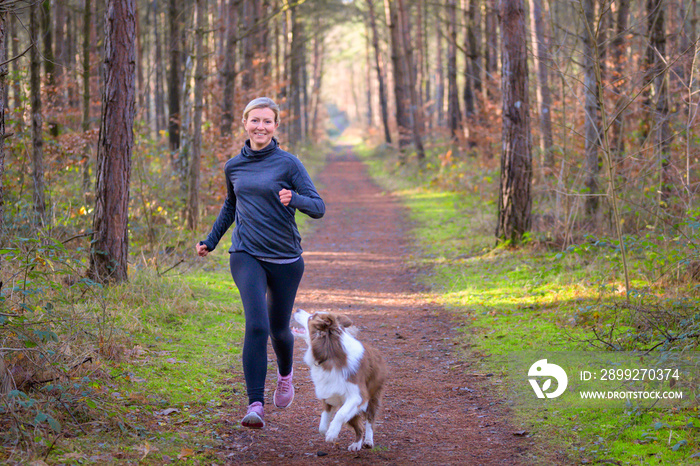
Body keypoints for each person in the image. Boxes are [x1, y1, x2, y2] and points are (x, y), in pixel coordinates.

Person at [196, 97, 325, 429]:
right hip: (246, 253)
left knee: (279, 330)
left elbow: (318, 206)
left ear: (276, 126)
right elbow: (230, 206)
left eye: (268, 121)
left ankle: (285, 375)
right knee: (256, 325)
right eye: (255, 120)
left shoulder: (289, 164)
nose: (261, 127)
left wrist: (293, 198)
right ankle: (255, 405)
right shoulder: (233, 166)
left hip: (285, 258)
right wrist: (211, 240)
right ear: (244, 123)